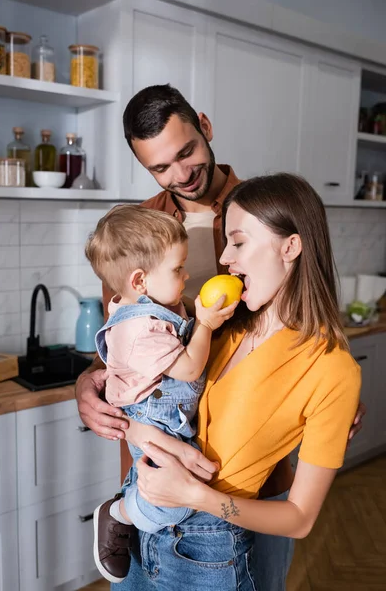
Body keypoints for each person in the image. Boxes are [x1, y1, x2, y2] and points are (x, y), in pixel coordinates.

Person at [75, 84, 366, 590]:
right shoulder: (135, 232)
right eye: (160, 168)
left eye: (186, 153)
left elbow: (307, 318)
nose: (180, 175)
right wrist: (89, 380)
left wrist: (328, 400)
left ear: (205, 128)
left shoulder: (266, 213)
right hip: (157, 463)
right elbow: (127, 347)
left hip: (251, 481)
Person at [84, 205, 237, 583]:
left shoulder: (155, 306)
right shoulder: (138, 328)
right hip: (155, 422)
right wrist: (203, 323)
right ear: (139, 281)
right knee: (172, 505)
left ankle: (132, 506)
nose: (187, 275)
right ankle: (118, 513)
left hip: (171, 421)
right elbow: (188, 368)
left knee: (175, 491)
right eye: (178, 269)